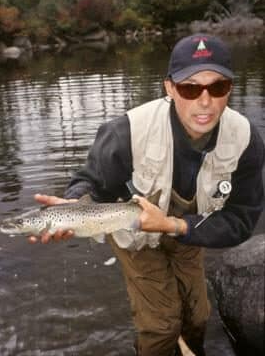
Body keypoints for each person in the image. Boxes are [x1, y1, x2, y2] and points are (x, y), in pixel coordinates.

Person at [30, 34, 264, 356]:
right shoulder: (125, 132)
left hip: (189, 229)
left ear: (230, 89)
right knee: (162, 325)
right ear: (169, 88)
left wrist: (176, 226)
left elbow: (240, 219)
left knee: (198, 316)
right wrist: (74, 204)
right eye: (190, 88)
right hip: (134, 236)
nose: (205, 101)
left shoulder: (246, 141)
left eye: (218, 87)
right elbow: (91, 183)